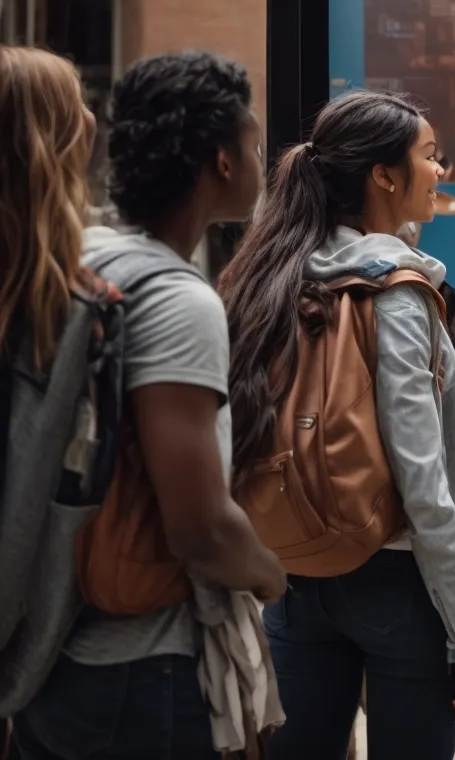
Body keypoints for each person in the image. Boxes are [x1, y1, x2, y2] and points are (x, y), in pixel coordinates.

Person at [4, 49, 290, 760]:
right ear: (223, 164)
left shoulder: (85, 256)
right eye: (253, 143)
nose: (261, 159)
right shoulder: (178, 299)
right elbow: (199, 528)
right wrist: (268, 575)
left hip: (54, 647)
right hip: (140, 672)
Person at [220, 90, 455, 758]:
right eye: (429, 157)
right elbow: (423, 479)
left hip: (292, 564)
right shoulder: (397, 294)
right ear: (383, 175)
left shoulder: (272, 274)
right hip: (399, 580)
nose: (440, 172)